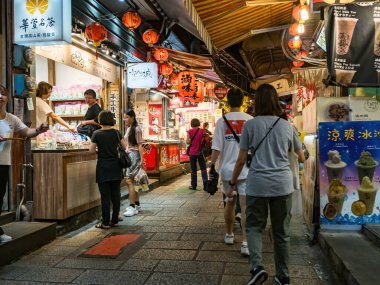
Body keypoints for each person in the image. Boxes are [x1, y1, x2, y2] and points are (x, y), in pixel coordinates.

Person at [226, 84, 305, 285]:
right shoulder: (288, 126)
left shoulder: (250, 126)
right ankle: (283, 276)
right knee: (281, 233)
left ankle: (257, 267)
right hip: (282, 185)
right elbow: (301, 156)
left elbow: (241, 159)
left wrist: (233, 183)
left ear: (257, 102)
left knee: (253, 227)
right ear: (275, 101)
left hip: (258, 184)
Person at [0, 84, 48, 243]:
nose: (0, 97)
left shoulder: (11, 118)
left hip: (4, 163)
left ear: (7, 98)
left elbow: (27, 131)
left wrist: (39, 130)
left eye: (3, 94)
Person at [208, 88, 252, 256]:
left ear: (227, 101)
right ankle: (246, 243)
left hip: (227, 170)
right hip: (247, 169)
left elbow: (216, 148)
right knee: (246, 206)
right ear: (243, 102)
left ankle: (229, 234)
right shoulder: (250, 120)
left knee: (229, 202)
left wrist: (211, 166)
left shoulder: (222, 121)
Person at [89, 110, 125, 229]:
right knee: (116, 195)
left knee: (105, 197)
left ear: (100, 120)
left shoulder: (97, 134)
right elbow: (124, 147)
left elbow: (91, 151)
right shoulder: (116, 132)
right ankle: (114, 220)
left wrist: (101, 150)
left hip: (103, 167)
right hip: (116, 166)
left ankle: (105, 223)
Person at [123, 110, 144, 217]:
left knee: (129, 181)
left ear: (132, 117)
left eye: (126, 117)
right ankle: (136, 204)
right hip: (130, 155)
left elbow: (140, 145)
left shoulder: (136, 129)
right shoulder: (129, 128)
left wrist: (142, 159)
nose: (124, 120)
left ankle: (132, 207)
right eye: (124, 118)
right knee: (132, 181)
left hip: (134, 156)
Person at [187, 118, 208, 190]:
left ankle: (194, 185)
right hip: (200, 152)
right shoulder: (202, 131)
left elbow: (187, 142)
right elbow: (207, 139)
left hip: (192, 152)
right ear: (198, 123)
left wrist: (192, 141)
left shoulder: (189, 131)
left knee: (193, 169)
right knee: (203, 169)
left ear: (192, 124)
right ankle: (205, 184)